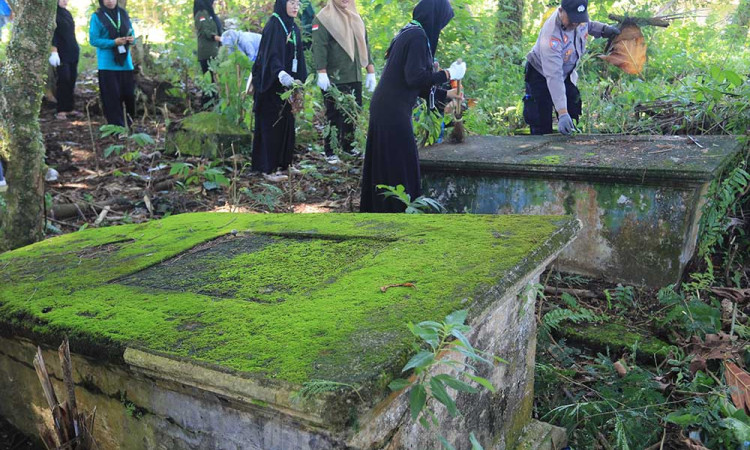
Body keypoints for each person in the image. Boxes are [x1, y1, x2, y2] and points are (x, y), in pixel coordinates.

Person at [359, 0, 465, 213]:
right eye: (441, 23)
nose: (441, 29)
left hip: (388, 106)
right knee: (403, 160)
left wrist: (448, 93)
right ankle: (398, 210)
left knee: (389, 160)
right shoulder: (416, 37)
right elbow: (415, 78)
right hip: (392, 110)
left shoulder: (411, 32)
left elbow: (418, 84)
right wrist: (447, 74)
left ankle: (385, 208)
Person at [523, 0, 620, 135]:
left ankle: (570, 145)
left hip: (565, 72)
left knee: (573, 105)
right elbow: (554, 76)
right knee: (541, 118)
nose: (575, 23)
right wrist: (562, 113)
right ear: (561, 11)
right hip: (540, 74)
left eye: (578, 19)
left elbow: (588, 26)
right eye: (572, 19)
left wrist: (604, 29)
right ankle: (541, 151)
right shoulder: (552, 36)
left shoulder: (579, 20)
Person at [312, 0, 376, 164]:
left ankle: (348, 146)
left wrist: (370, 71)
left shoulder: (355, 15)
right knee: (334, 114)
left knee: (353, 112)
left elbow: (364, 44)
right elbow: (320, 46)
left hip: (354, 75)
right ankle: (330, 150)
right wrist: (321, 72)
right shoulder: (324, 18)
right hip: (335, 76)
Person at [251, 0, 307, 182]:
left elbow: (299, 56)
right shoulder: (274, 25)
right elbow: (270, 55)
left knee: (287, 125)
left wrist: (299, 80)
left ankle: (285, 164)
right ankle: (268, 168)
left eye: (298, 3)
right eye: (291, 2)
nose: (295, 6)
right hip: (270, 86)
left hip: (287, 88)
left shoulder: (294, 28)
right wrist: (280, 73)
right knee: (271, 125)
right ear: (282, 3)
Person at [89, 0, 136, 127]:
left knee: (129, 96)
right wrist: (113, 43)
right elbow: (94, 40)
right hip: (107, 64)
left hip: (125, 63)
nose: (110, 1)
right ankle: (116, 128)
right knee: (112, 97)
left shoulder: (123, 14)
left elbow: (132, 33)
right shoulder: (97, 16)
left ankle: (130, 125)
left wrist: (132, 39)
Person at [49, 0, 81, 120]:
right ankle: (61, 109)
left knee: (72, 79)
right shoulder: (52, 14)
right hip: (60, 53)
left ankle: (69, 108)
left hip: (72, 50)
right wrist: (54, 51)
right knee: (64, 79)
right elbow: (53, 34)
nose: (65, 1)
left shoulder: (67, 13)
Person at [194, 0, 222, 106]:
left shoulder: (209, 14)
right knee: (209, 79)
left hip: (213, 51)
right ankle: (207, 103)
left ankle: (213, 102)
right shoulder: (201, 14)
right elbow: (207, 32)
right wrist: (221, 39)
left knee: (214, 78)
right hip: (206, 52)